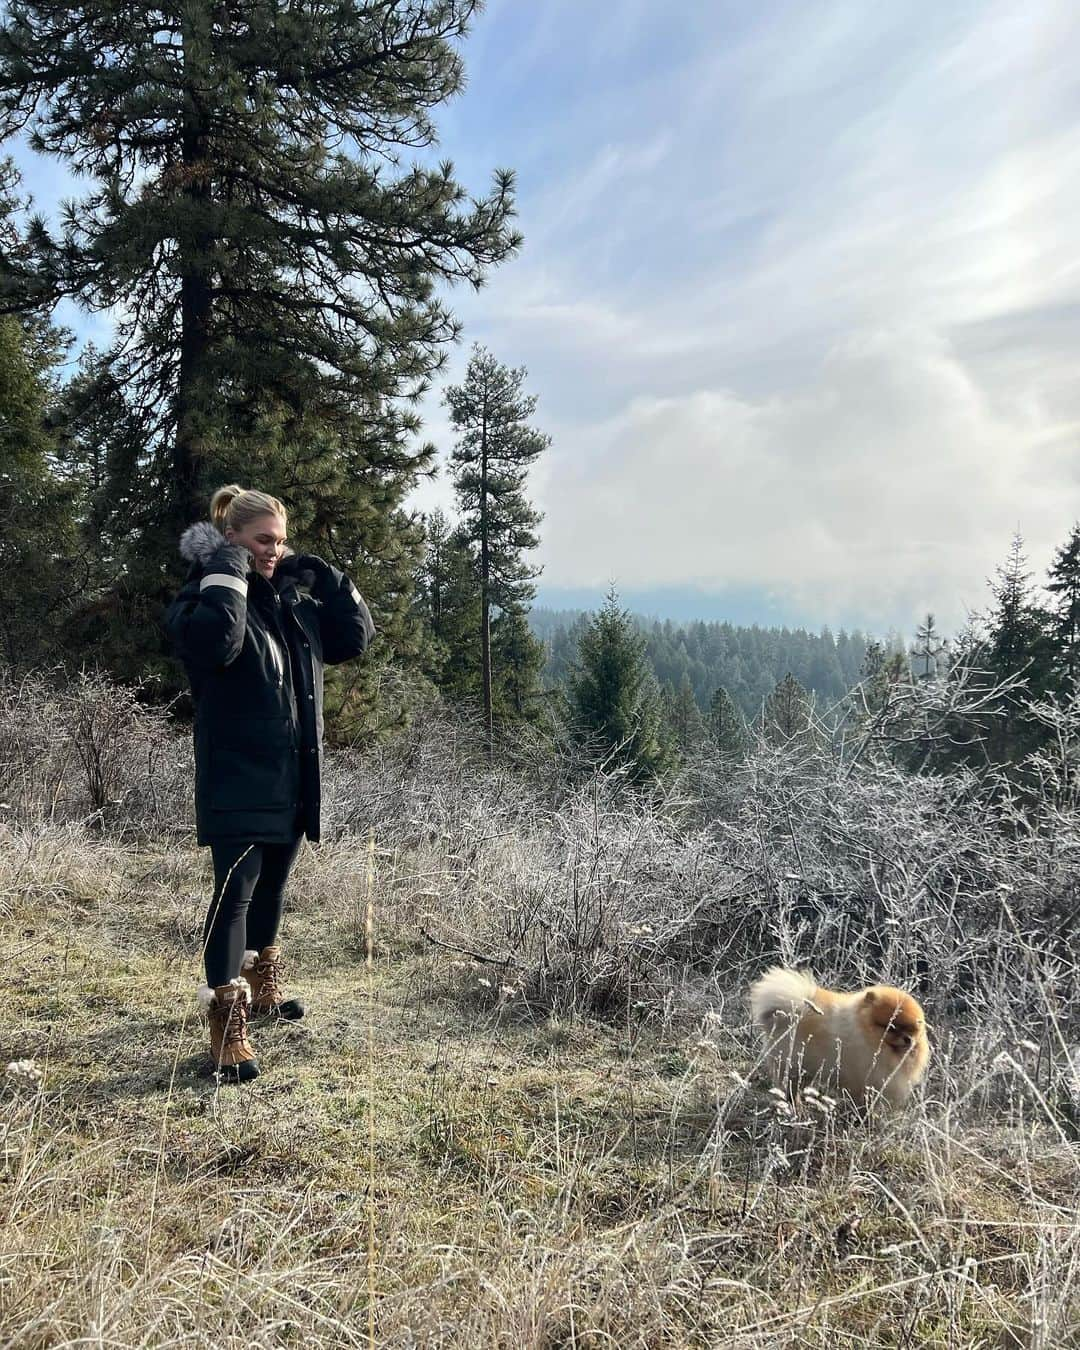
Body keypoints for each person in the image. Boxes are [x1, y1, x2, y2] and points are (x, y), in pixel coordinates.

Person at [165, 485, 375, 1082]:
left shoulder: (290, 603)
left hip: (293, 776)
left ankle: (262, 989)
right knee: (235, 895)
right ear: (232, 537)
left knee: (273, 887)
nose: (274, 551)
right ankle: (226, 1026)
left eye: (281, 541)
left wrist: (330, 580)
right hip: (237, 777)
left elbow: (353, 639)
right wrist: (225, 569)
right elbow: (218, 643)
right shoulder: (201, 600)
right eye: (262, 540)